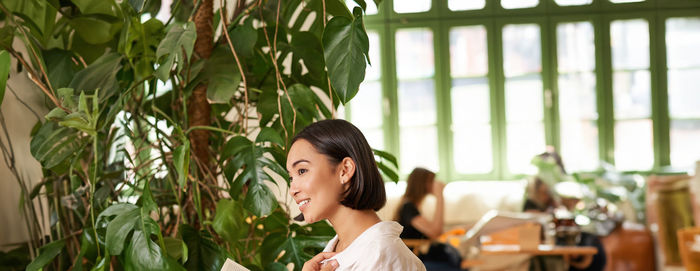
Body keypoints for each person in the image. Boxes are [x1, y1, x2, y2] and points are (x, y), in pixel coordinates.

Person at [287, 119, 425, 271]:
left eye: (302, 171)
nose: (293, 189)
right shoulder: (338, 249)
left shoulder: (382, 259)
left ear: (345, 170)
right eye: (291, 177)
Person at [395, 168, 463, 270]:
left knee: (457, 260)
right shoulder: (408, 207)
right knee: (455, 266)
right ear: (422, 184)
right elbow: (436, 232)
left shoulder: (412, 206)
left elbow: (435, 232)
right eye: (432, 181)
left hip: (420, 257)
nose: (435, 184)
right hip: (414, 260)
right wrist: (440, 196)